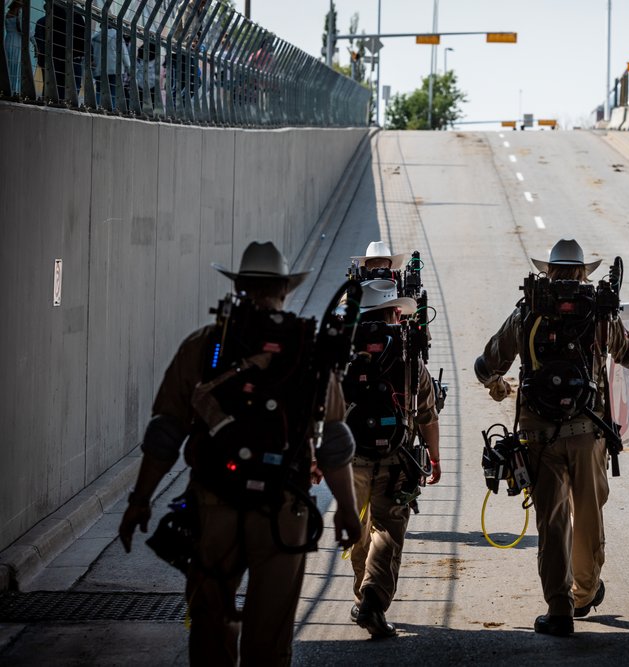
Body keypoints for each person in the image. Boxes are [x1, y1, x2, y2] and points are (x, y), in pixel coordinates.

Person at [118, 241, 362, 666]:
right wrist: (347, 509)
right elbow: (335, 441)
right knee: (269, 640)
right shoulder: (308, 349)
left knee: (211, 626)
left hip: (214, 505)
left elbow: (165, 432)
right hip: (284, 511)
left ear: (240, 286)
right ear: (285, 289)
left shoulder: (206, 345)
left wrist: (140, 500)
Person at [475, 238, 629, 637]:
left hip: (539, 436)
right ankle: (585, 593)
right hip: (588, 433)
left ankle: (560, 609)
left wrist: (496, 382)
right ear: (584, 272)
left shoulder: (528, 310)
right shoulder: (599, 314)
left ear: (547, 272)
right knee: (588, 516)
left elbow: (487, 364)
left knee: (552, 522)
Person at [343, 279, 441, 639]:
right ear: (394, 312)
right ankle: (372, 598)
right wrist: (434, 456)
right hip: (397, 458)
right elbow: (427, 411)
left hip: (351, 458)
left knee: (359, 529)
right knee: (388, 528)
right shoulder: (407, 352)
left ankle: (363, 592)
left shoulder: (345, 352)